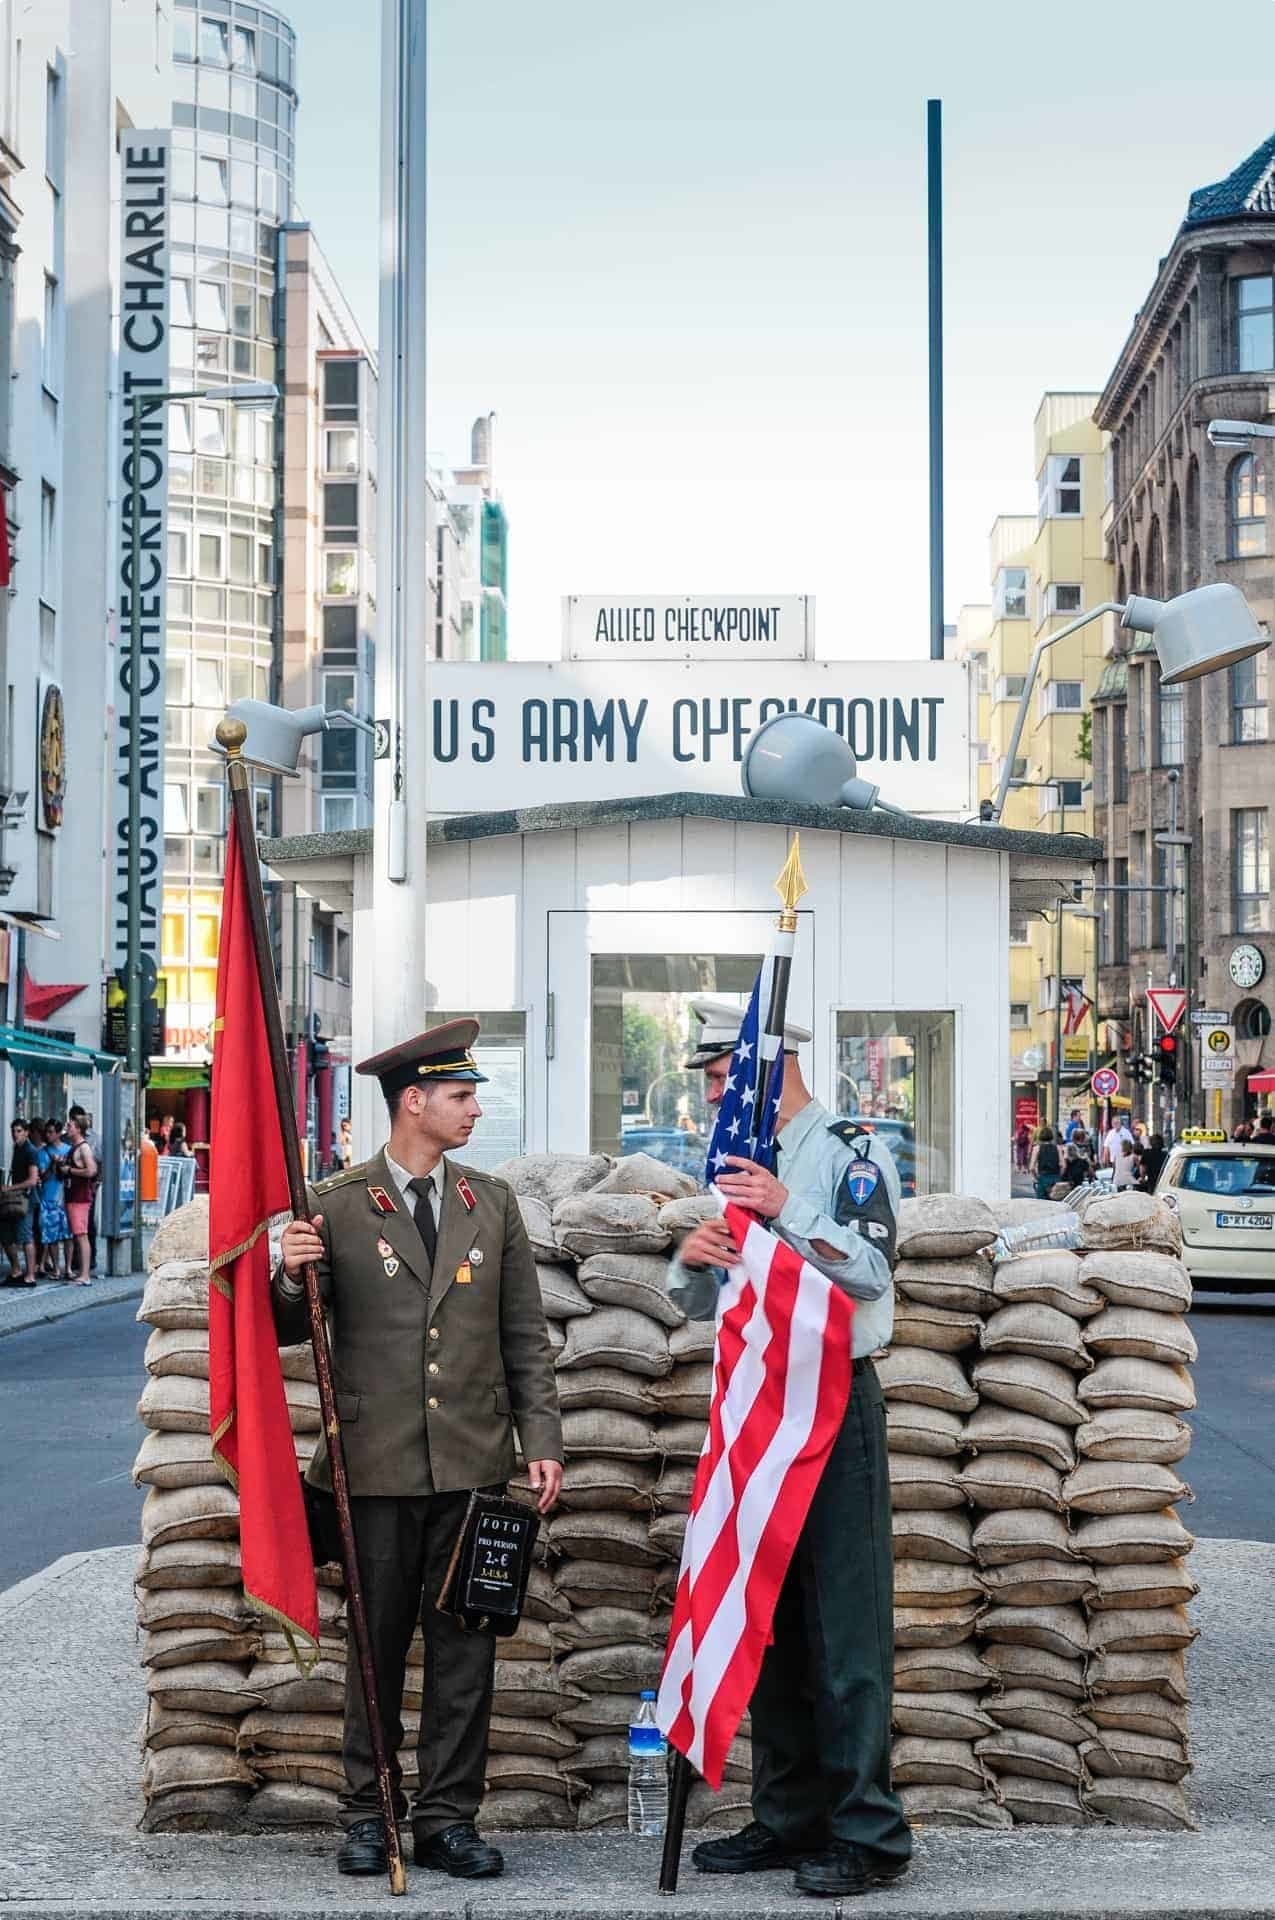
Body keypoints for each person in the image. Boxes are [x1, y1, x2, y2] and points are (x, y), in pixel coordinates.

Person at [275, 1019, 562, 1883]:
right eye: (462, 1096)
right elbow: (292, 1331)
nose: (476, 1109)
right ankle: (369, 1815)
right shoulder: (331, 1204)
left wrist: (539, 1442)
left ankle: (447, 1819)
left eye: (472, 1095)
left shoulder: (492, 1203)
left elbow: (524, 1335)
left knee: (465, 1650)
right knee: (373, 1646)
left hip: (473, 1466)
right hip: (374, 1464)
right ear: (414, 1102)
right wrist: (288, 1273)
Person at [669, 996, 911, 1902]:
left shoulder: (847, 1153)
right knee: (761, 1609)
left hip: (834, 1399)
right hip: (757, 1402)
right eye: (711, 1081)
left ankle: (869, 1831)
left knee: (846, 1625)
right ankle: (787, 1815)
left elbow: (877, 1266)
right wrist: (693, 1259)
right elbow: (699, 1304)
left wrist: (785, 1206)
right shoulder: (736, 1162)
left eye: (730, 1076)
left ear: (777, 1068)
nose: (719, 1094)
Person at [1, 1119, 41, 1285]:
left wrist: (10, 1189)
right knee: (6, 1234)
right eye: (13, 1131)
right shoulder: (17, 1148)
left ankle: (30, 1276)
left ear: (26, 1132)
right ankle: (16, 1270)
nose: (15, 1134)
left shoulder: (30, 1151)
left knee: (26, 1237)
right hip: (16, 1199)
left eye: (18, 1131)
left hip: (26, 1199)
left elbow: (32, 1180)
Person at [63, 1116, 97, 1285]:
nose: (67, 1128)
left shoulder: (83, 1148)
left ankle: (85, 1275)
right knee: (78, 1234)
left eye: (70, 1125)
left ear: (78, 1128)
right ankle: (82, 1273)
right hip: (73, 1196)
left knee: (81, 1234)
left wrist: (70, 1170)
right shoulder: (74, 1147)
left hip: (80, 1197)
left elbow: (91, 1171)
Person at [69, 1107, 103, 1278]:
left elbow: (95, 1167)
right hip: (74, 1191)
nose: (69, 1126)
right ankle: (78, 1263)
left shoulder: (91, 1141)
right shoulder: (70, 1140)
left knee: (86, 1228)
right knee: (77, 1229)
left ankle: (87, 1267)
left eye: (72, 1123)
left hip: (87, 1189)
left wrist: (97, 1182)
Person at [36, 1120, 72, 1280]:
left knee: (68, 1235)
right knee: (52, 1236)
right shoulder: (43, 1152)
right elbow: (42, 1177)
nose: (48, 1135)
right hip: (48, 1197)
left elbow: (72, 1172)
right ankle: (57, 1268)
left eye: (51, 1132)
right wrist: (53, 1164)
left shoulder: (68, 1150)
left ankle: (68, 1268)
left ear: (58, 1133)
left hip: (65, 1197)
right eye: (47, 1132)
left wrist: (64, 1165)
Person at [1102, 1116, 1138, 1190]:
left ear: (1120, 1123)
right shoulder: (1110, 1133)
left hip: (1126, 1159)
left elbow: (1132, 1145)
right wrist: (1105, 1161)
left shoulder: (1126, 1132)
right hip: (1113, 1161)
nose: (1116, 1124)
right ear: (1112, 1124)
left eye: (1117, 1123)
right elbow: (1106, 1148)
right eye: (1114, 1123)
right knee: (1116, 1178)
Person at [1029, 1125, 1062, 1199]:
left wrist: (1037, 1177)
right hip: (1055, 1178)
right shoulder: (1058, 1148)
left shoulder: (1037, 1148)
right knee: (1056, 1204)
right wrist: (1059, 1175)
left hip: (1042, 1178)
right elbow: (1063, 1165)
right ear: (1051, 1136)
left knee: (1042, 1205)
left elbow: (1031, 1168)